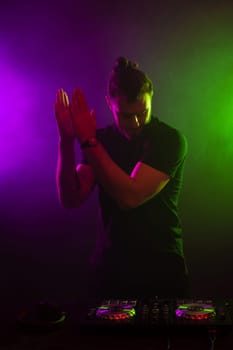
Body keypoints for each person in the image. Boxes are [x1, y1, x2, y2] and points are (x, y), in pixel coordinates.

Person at [55, 56, 190, 299]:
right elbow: (71, 198)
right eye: (126, 115)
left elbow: (130, 196)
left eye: (143, 112)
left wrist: (88, 141)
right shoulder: (100, 141)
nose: (136, 122)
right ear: (109, 103)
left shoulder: (169, 140)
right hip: (110, 269)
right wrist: (66, 140)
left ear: (151, 99)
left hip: (161, 270)